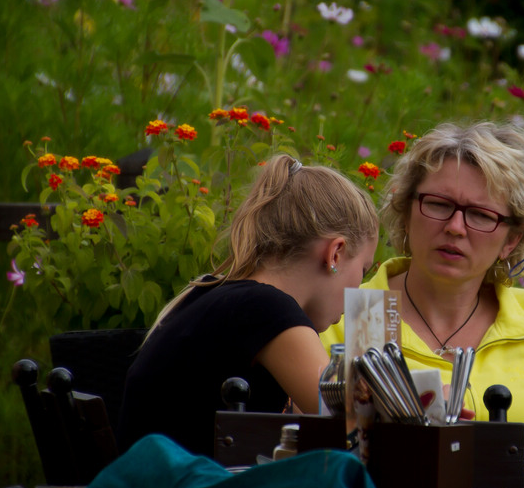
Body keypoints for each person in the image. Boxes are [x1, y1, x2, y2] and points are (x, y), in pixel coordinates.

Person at [320, 121, 524, 453]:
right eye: (439, 205)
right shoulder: (354, 315)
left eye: (481, 215)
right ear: (407, 211)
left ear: (511, 240)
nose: (455, 228)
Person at [116, 154, 379, 458]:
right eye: (363, 270)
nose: (360, 288)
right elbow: (357, 429)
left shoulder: (215, 294)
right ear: (336, 253)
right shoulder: (269, 310)